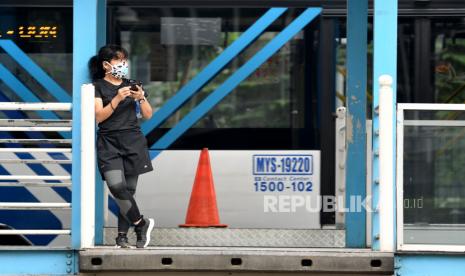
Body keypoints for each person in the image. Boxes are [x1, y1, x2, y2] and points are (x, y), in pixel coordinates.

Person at [88, 45, 155, 248]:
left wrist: (140, 97)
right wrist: (117, 98)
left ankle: (122, 236)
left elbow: (148, 114)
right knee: (117, 188)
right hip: (108, 142)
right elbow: (99, 117)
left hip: (133, 141)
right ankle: (141, 224)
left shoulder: (133, 84)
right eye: (119, 60)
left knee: (128, 191)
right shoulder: (97, 86)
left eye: (124, 60)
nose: (123, 64)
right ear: (106, 64)